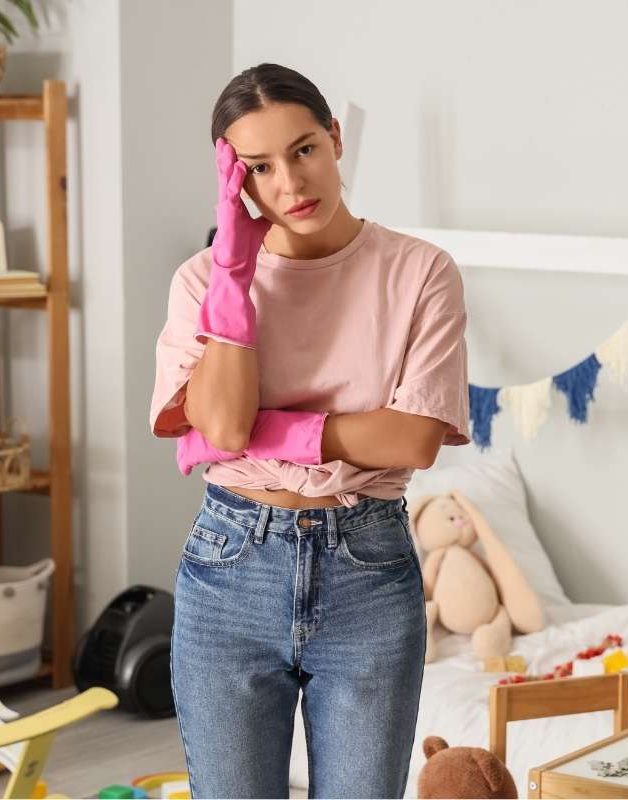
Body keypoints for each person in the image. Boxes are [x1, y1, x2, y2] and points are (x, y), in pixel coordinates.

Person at [148, 63, 471, 799]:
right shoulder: (203, 281)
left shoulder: (421, 272)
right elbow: (225, 423)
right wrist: (235, 269)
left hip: (368, 570)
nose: (290, 184)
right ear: (235, 182)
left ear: (334, 139)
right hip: (231, 570)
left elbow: (411, 441)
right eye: (259, 167)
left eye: (303, 150)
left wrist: (277, 434)